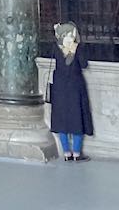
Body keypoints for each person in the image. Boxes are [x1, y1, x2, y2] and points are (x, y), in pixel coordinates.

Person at [48, 21, 94, 162]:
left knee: (62, 121)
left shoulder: (56, 48)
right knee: (77, 119)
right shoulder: (77, 48)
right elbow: (84, 64)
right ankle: (77, 153)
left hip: (60, 88)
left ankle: (66, 153)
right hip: (75, 87)